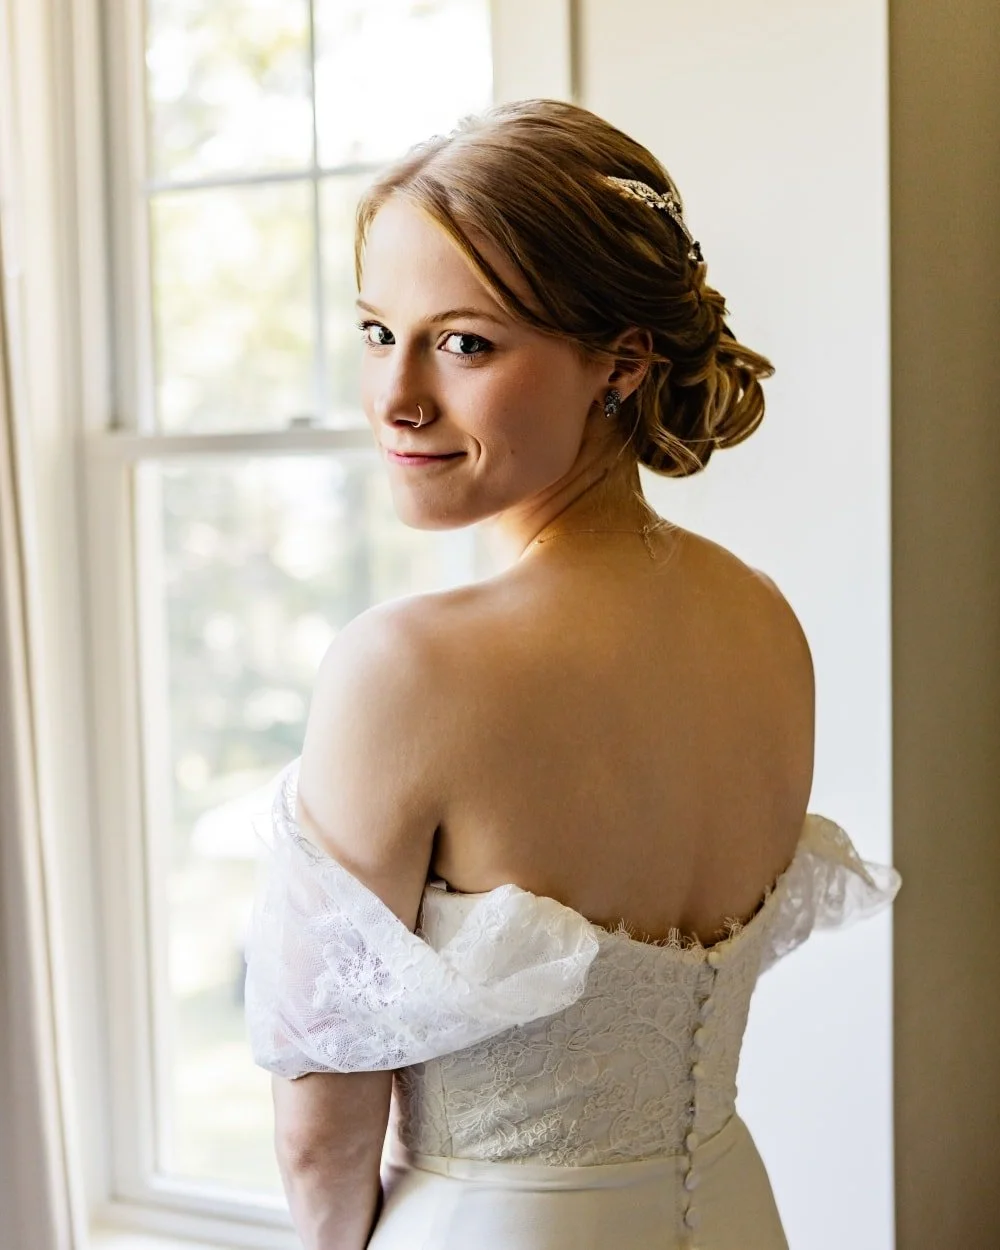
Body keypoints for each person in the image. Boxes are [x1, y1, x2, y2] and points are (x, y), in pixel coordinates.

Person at [244, 98, 901, 1250]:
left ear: (622, 362)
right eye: (377, 331)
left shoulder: (406, 670)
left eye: (465, 343)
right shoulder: (763, 619)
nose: (396, 396)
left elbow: (321, 1136)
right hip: (736, 1213)